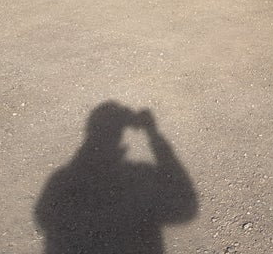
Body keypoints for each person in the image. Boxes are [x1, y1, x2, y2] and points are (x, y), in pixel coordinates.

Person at [35, 101, 197, 254]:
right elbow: (186, 208)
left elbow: (44, 218)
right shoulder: (141, 173)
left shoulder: (61, 178)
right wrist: (152, 133)